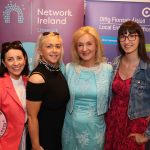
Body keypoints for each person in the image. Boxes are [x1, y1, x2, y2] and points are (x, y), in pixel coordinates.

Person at [62, 26, 112, 150]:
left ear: (96, 45)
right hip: (70, 129)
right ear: (76, 48)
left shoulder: (108, 70)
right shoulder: (68, 69)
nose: (84, 49)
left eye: (89, 44)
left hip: (95, 131)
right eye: (80, 45)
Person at [104, 20, 150, 150]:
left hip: (133, 127)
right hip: (112, 123)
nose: (127, 40)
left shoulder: (147, 68)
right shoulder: (115, 63)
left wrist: (146, 136)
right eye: (123, 36)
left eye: (132, 36)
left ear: (140, 38)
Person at [26, 32, 70, 150]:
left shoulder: (56, 70)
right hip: (43, 141)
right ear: (40, 51)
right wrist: (36, 146)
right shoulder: (37, 77)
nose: (54, 50)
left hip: (57, 136)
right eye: (49, 46)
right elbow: (31, 117)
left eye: (58, 46)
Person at [0, 41, 29, 150]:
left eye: (19, 58)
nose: (16, 63)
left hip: (26, 140)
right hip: (6, 144)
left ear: (25, 60)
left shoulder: (29, 82)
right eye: (10, 59)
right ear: (4, 63)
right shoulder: (1, 85)